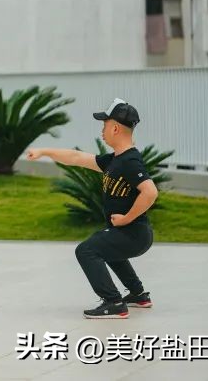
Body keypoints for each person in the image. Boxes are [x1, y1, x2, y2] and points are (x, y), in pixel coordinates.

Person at [26, 99, 157, 319]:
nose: (102, 131)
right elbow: (77, 157)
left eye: (104, 125)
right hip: (132, 235)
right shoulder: (115, 160)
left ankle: (114, 302)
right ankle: (138, 295)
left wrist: (126, 219)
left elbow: (150, 192)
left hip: (134, 234)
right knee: (106, 247)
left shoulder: (130, 160)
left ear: (115, 128)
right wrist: (44, 151)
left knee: (86, 250)